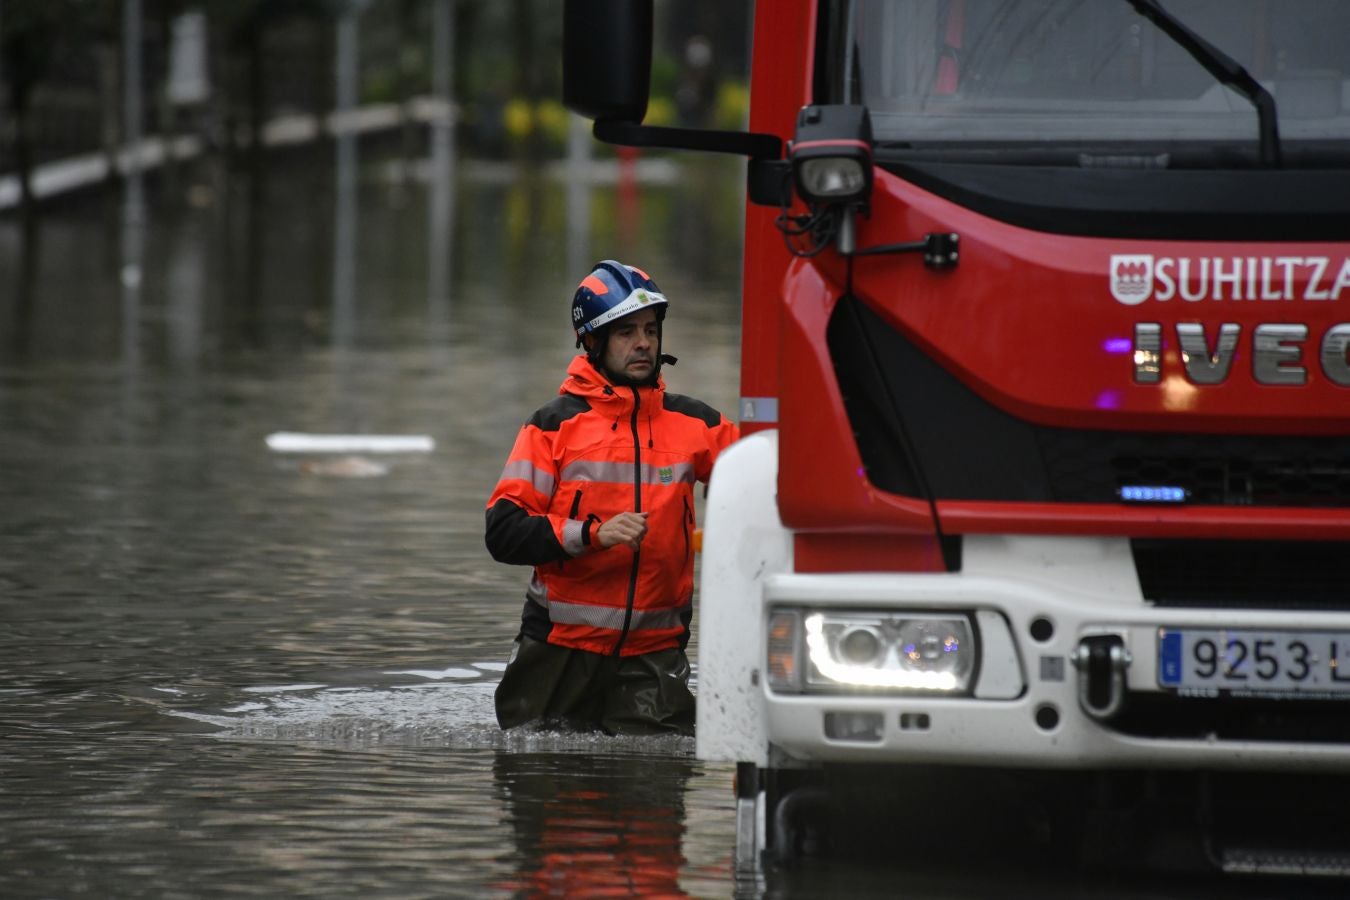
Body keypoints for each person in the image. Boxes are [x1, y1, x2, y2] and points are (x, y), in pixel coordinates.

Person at [485, 260, 740, 736]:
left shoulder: (699, 426)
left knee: (657, 791)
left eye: (649, 329)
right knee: (542, 791)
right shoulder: (552, 426)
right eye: (625, 332)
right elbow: (503, 532)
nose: (643, 342)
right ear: (593, 342)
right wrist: (592, 534)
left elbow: (771, 479)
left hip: (655, 655)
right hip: (560, 652)